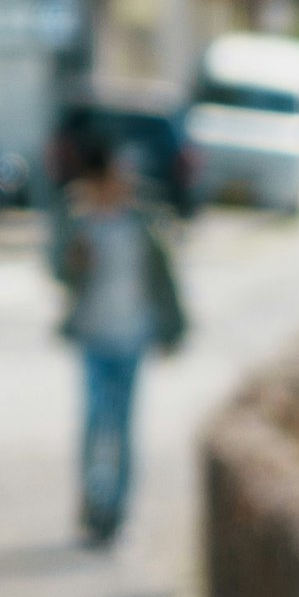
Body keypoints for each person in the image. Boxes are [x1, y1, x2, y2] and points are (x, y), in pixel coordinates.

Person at [51, 113, 186, 547]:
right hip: (93, 335)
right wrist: (73, 261)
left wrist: (172, 329)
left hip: (132, 336)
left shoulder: (142, 219)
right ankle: (93, 501)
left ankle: (116, 511)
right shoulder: (78, 220)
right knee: (94, 421)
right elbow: (58, 269)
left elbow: (165, 278)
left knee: (123, 426)